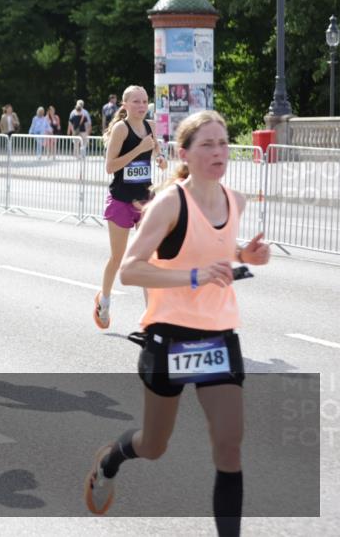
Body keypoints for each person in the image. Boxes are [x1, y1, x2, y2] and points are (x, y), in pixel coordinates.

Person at [84, 111, 270, 537]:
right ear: (185, 153)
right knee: (153, 445)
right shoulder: (170, 203)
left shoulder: (234, 201)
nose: (218, 151)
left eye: (223, 143)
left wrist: (244, 254)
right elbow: (131, 270)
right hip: (170, 337)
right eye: (207, 144)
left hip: (218, 336)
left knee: (229, 444)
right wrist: (191, 277)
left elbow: (213, 244)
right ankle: (110, 460)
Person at [93, 86, 167, 329]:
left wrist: (159, 157)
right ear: (125, 105)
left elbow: (155, 150)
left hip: (144, 200)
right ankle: (104, 300)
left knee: (146, 258)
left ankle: (151, 316)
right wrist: (139, 149)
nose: (142, 105)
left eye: (145, 101)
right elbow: (110, 166)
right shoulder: (120, 129)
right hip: (121, 200)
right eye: (136, 101)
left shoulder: (151, 126)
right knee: (118, 257)